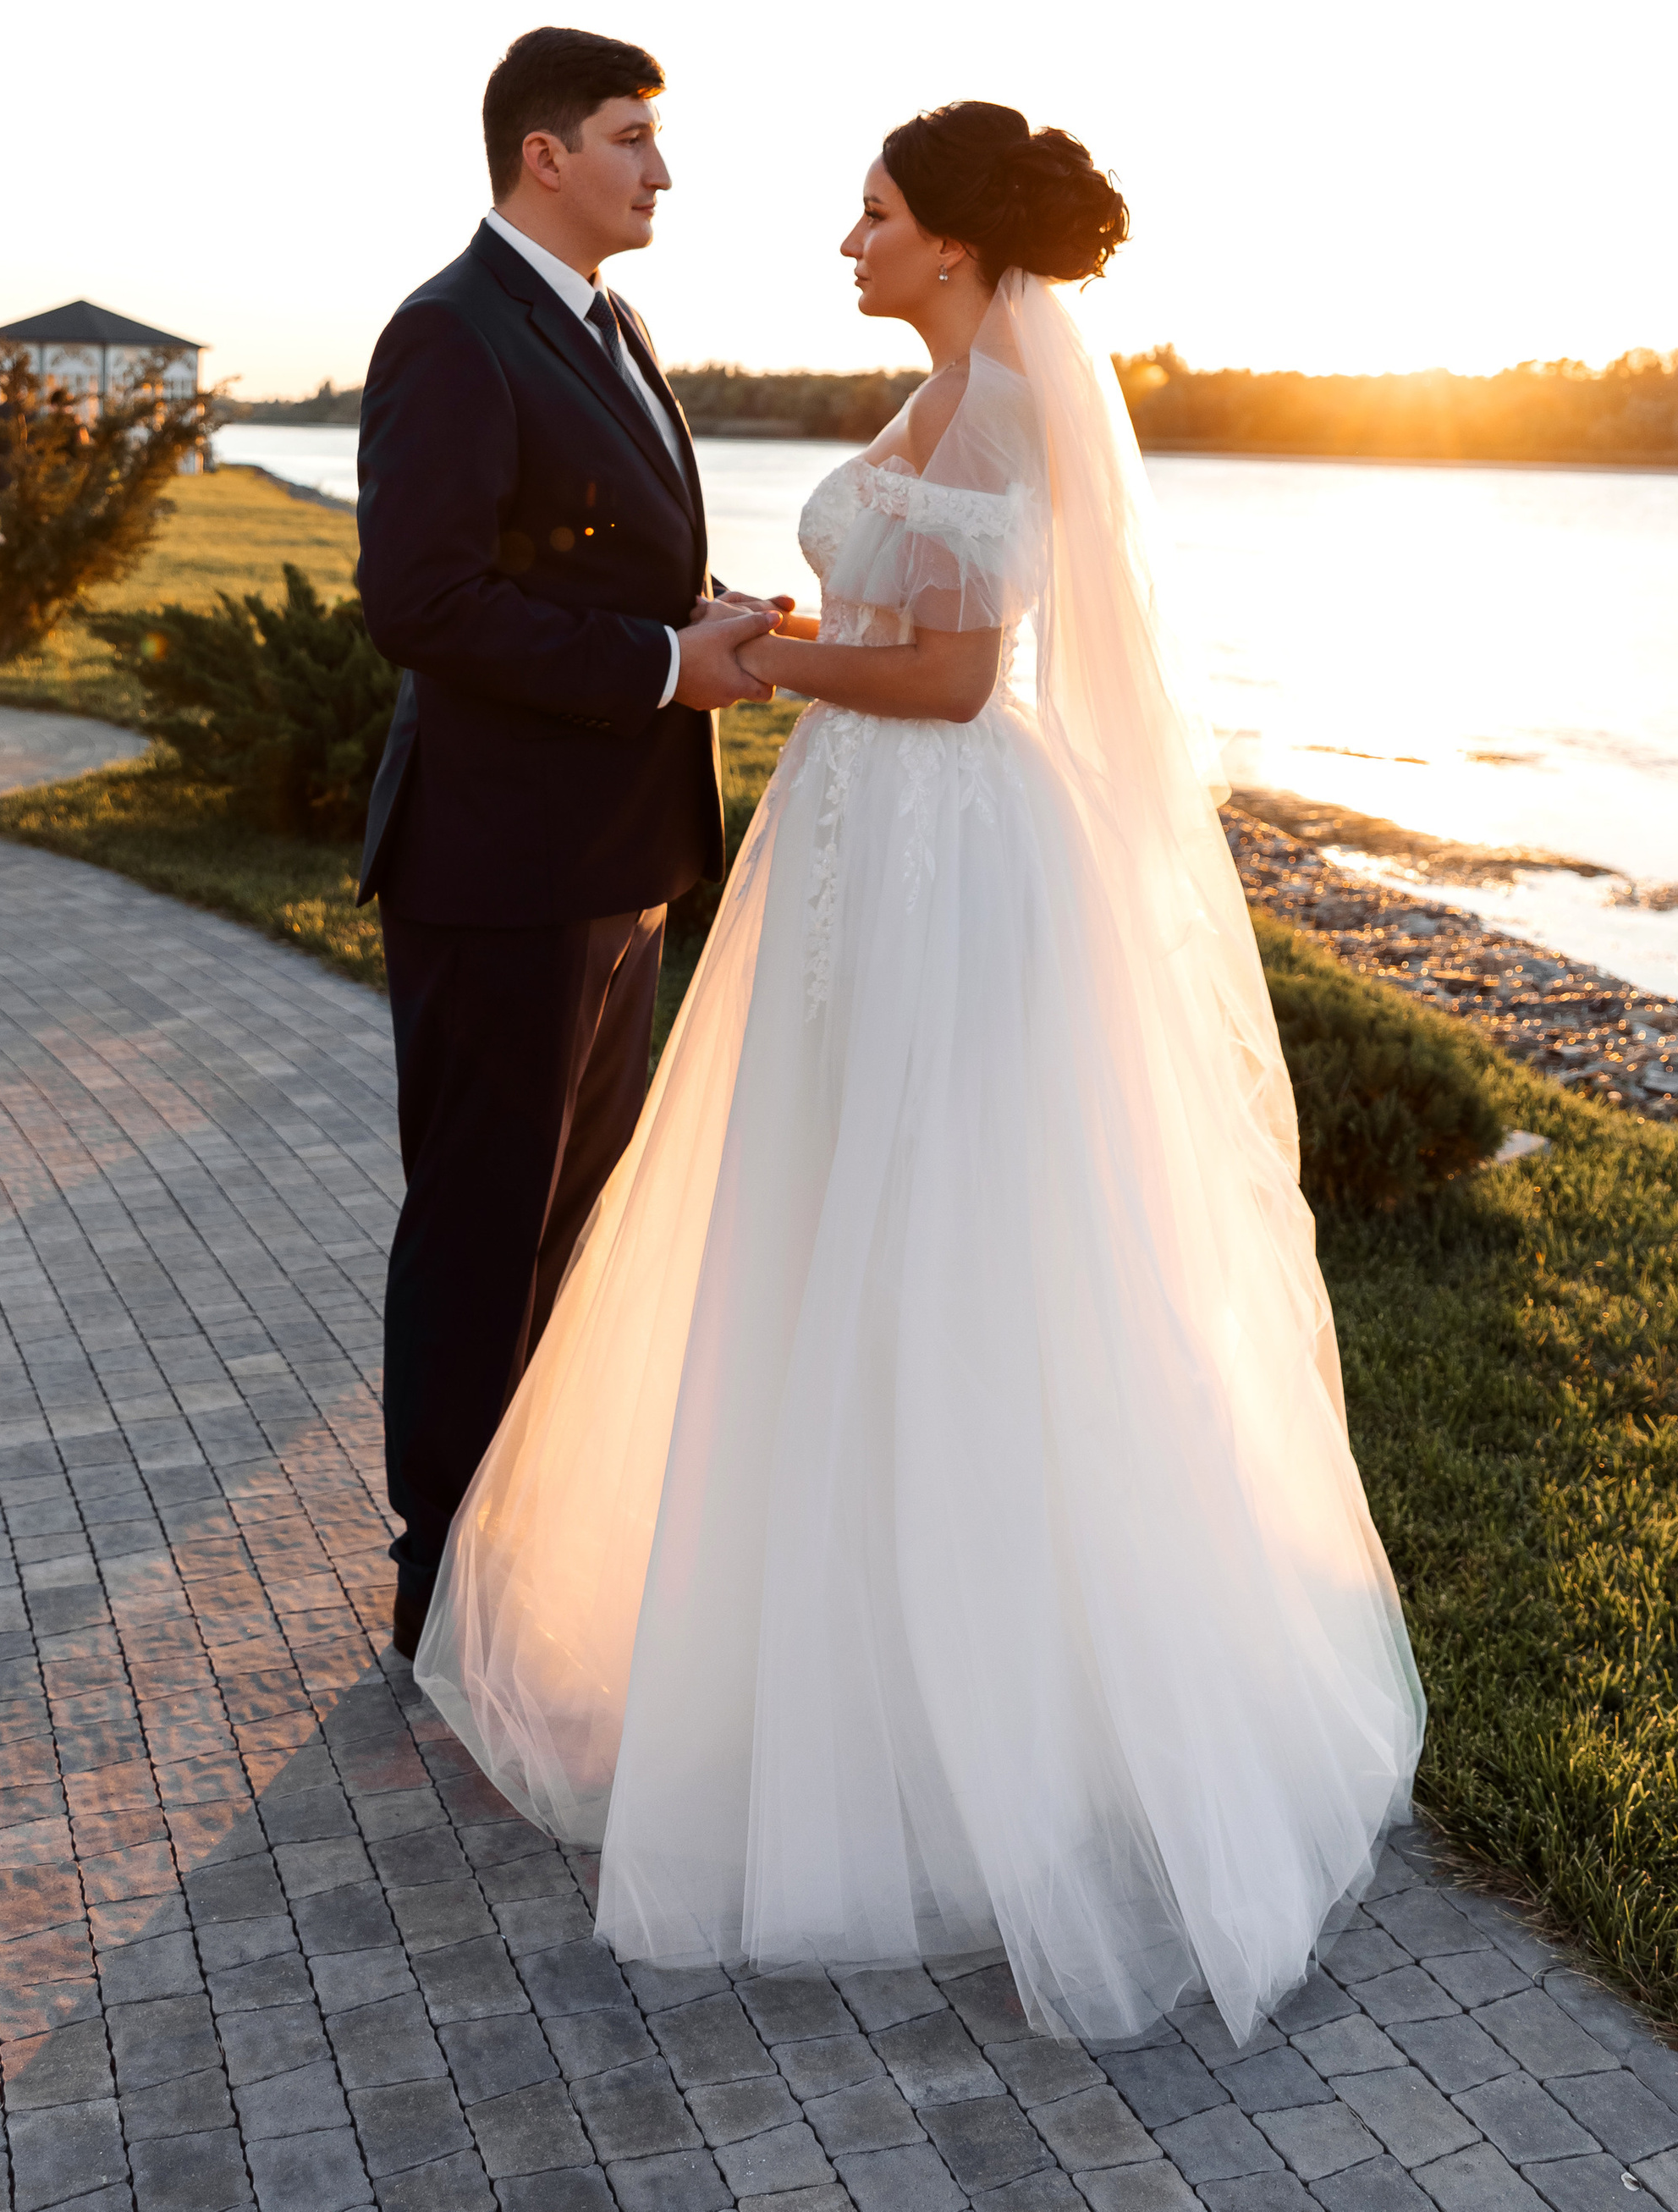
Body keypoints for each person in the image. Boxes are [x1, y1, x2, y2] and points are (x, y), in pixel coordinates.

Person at [413, 100, 1426, 2046]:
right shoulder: (922, 407)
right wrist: (795, 633)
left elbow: (964, 679)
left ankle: (990, 1713)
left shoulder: (997, 418)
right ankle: (827, 1669)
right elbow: (909, 625)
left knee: (949, 1235)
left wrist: (771, 667)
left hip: (954, 852)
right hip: (864, 848)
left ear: (952, 246)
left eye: (870, 213)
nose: (845, 239)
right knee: (816, 1227)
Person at [356, 27, 777, 1665]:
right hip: (499, 862)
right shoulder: (451, 334)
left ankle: (519, 1545)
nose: (657, 171)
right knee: (481, 1226)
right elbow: (426, 600)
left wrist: (697, 616)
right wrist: (664, 668)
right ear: (546, 155)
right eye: (631, 138)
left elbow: (584, 564)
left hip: (617, 851)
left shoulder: (608, 323)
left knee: (569, 1220)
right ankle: (441, 1582)